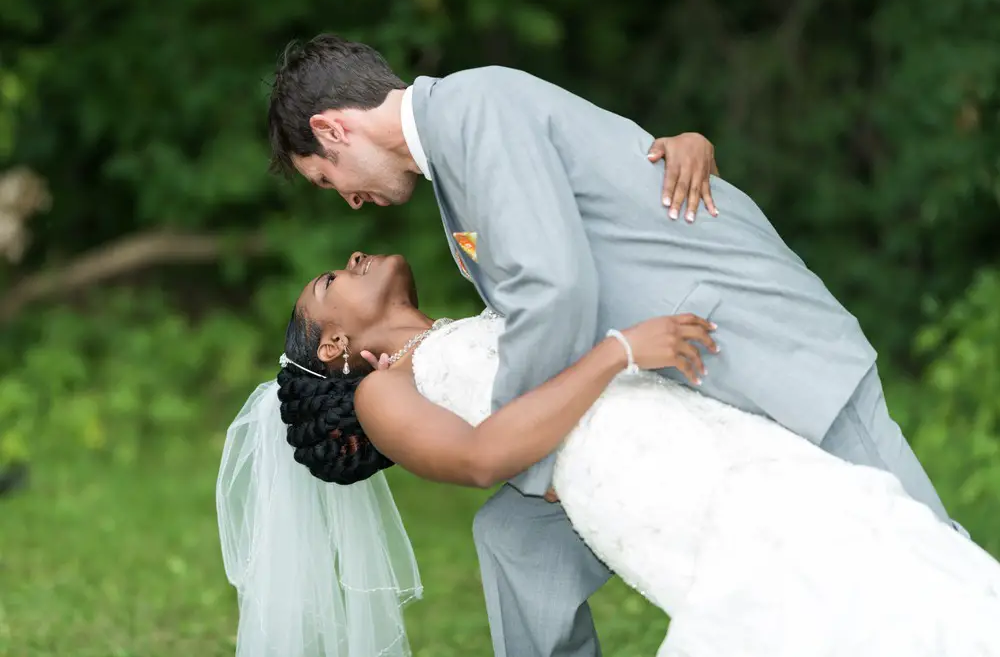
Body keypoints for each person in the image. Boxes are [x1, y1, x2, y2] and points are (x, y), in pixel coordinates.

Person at [264, 34, 964, 657]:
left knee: (924, 553)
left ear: (331, 127)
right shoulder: (455, 160)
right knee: (514, 538)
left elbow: (554, 289)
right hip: (663, 392)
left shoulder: (473, 109)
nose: (349, 202)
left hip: (764, 345)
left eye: (329, 179)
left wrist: (519, 441)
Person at [217, 251, 1000, 657]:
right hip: (640, 478)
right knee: (775, 586)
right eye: (331, 279)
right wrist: (619, 353)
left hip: (690, 431)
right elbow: (486, 457)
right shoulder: (384, 393)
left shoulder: (463, 316)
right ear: (337, 343)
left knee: (853, 550)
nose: (352, 259)